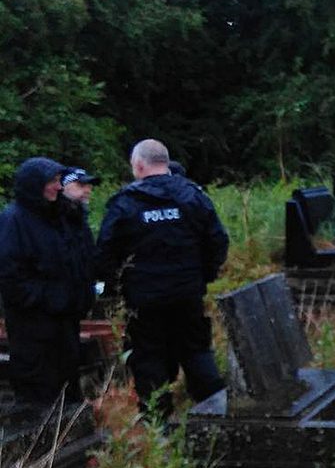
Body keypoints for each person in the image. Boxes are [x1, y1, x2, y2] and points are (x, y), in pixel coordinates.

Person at [96, 139, 229, 417]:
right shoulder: (193, 196)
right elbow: (217, 241)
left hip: (144, 299)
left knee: (147, 355)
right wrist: (202, 277)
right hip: (187, 292)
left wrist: (115, 289)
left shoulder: (125, 203)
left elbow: (105, 251)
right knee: (195, 350)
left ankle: (158, 422)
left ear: (139, 165)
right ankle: (216, 413)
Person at [0, 158, 96, 412]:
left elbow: (78, 258)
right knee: (38, 392)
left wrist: (81, 295)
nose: (57, 186)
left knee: (68, 384)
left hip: (65, 320)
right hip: (33, 324)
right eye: (51, 181)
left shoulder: (61, 216)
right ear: (35, 185)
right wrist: (51, 298)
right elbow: (11, 277)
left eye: (57, 181)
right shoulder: (14, 221)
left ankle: (67, 433)